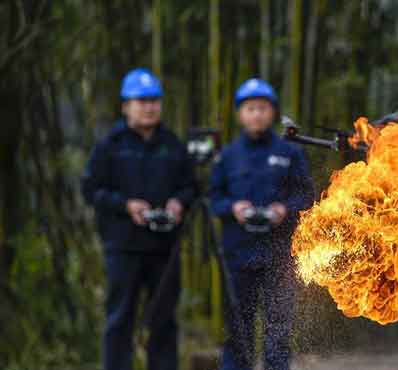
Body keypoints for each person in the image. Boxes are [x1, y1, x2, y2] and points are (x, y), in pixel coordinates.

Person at [81, 68, 196, 370]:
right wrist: (125, 205)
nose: (149, 107)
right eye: (141, 100)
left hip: (165, 249)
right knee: (119, 319)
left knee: (164, 322)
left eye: (154, 100)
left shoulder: (172, 144)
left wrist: (177, 203)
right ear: (125, 106)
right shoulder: (110, 145)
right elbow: (91, 189)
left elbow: (191, 186)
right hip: (123, 248)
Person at [209, 78, 314, 370]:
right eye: (250, 108)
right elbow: (213, 198)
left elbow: (306, 194)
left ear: (272, 112)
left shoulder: (289, 153)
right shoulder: (228, 156)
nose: (256, 114)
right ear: (241, 114)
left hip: (278, 255)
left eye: (263, 108)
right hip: (238, 256)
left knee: (278, 332)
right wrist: (234, 208)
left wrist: (284, 209)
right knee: (238, 331)